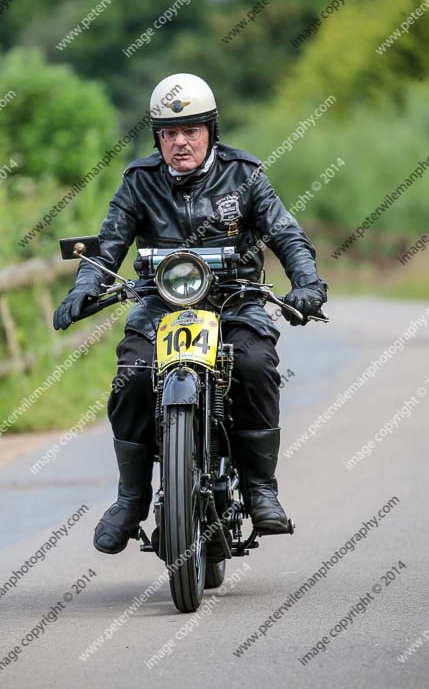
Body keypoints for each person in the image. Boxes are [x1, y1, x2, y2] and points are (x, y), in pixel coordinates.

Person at [53, 73, 327, 555]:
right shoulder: (139, 181)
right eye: (169, 133)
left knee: (254, 365)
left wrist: (306, 283)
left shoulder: (245, 175)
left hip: (235, 299)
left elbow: (287, 234)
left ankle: (262, 489)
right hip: (161, 305)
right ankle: (130, 500)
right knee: (133, 375)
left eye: (191, 131)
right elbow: (111, 242)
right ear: (157, 137)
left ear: (211, 131)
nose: (180, 142)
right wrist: (84, 287)